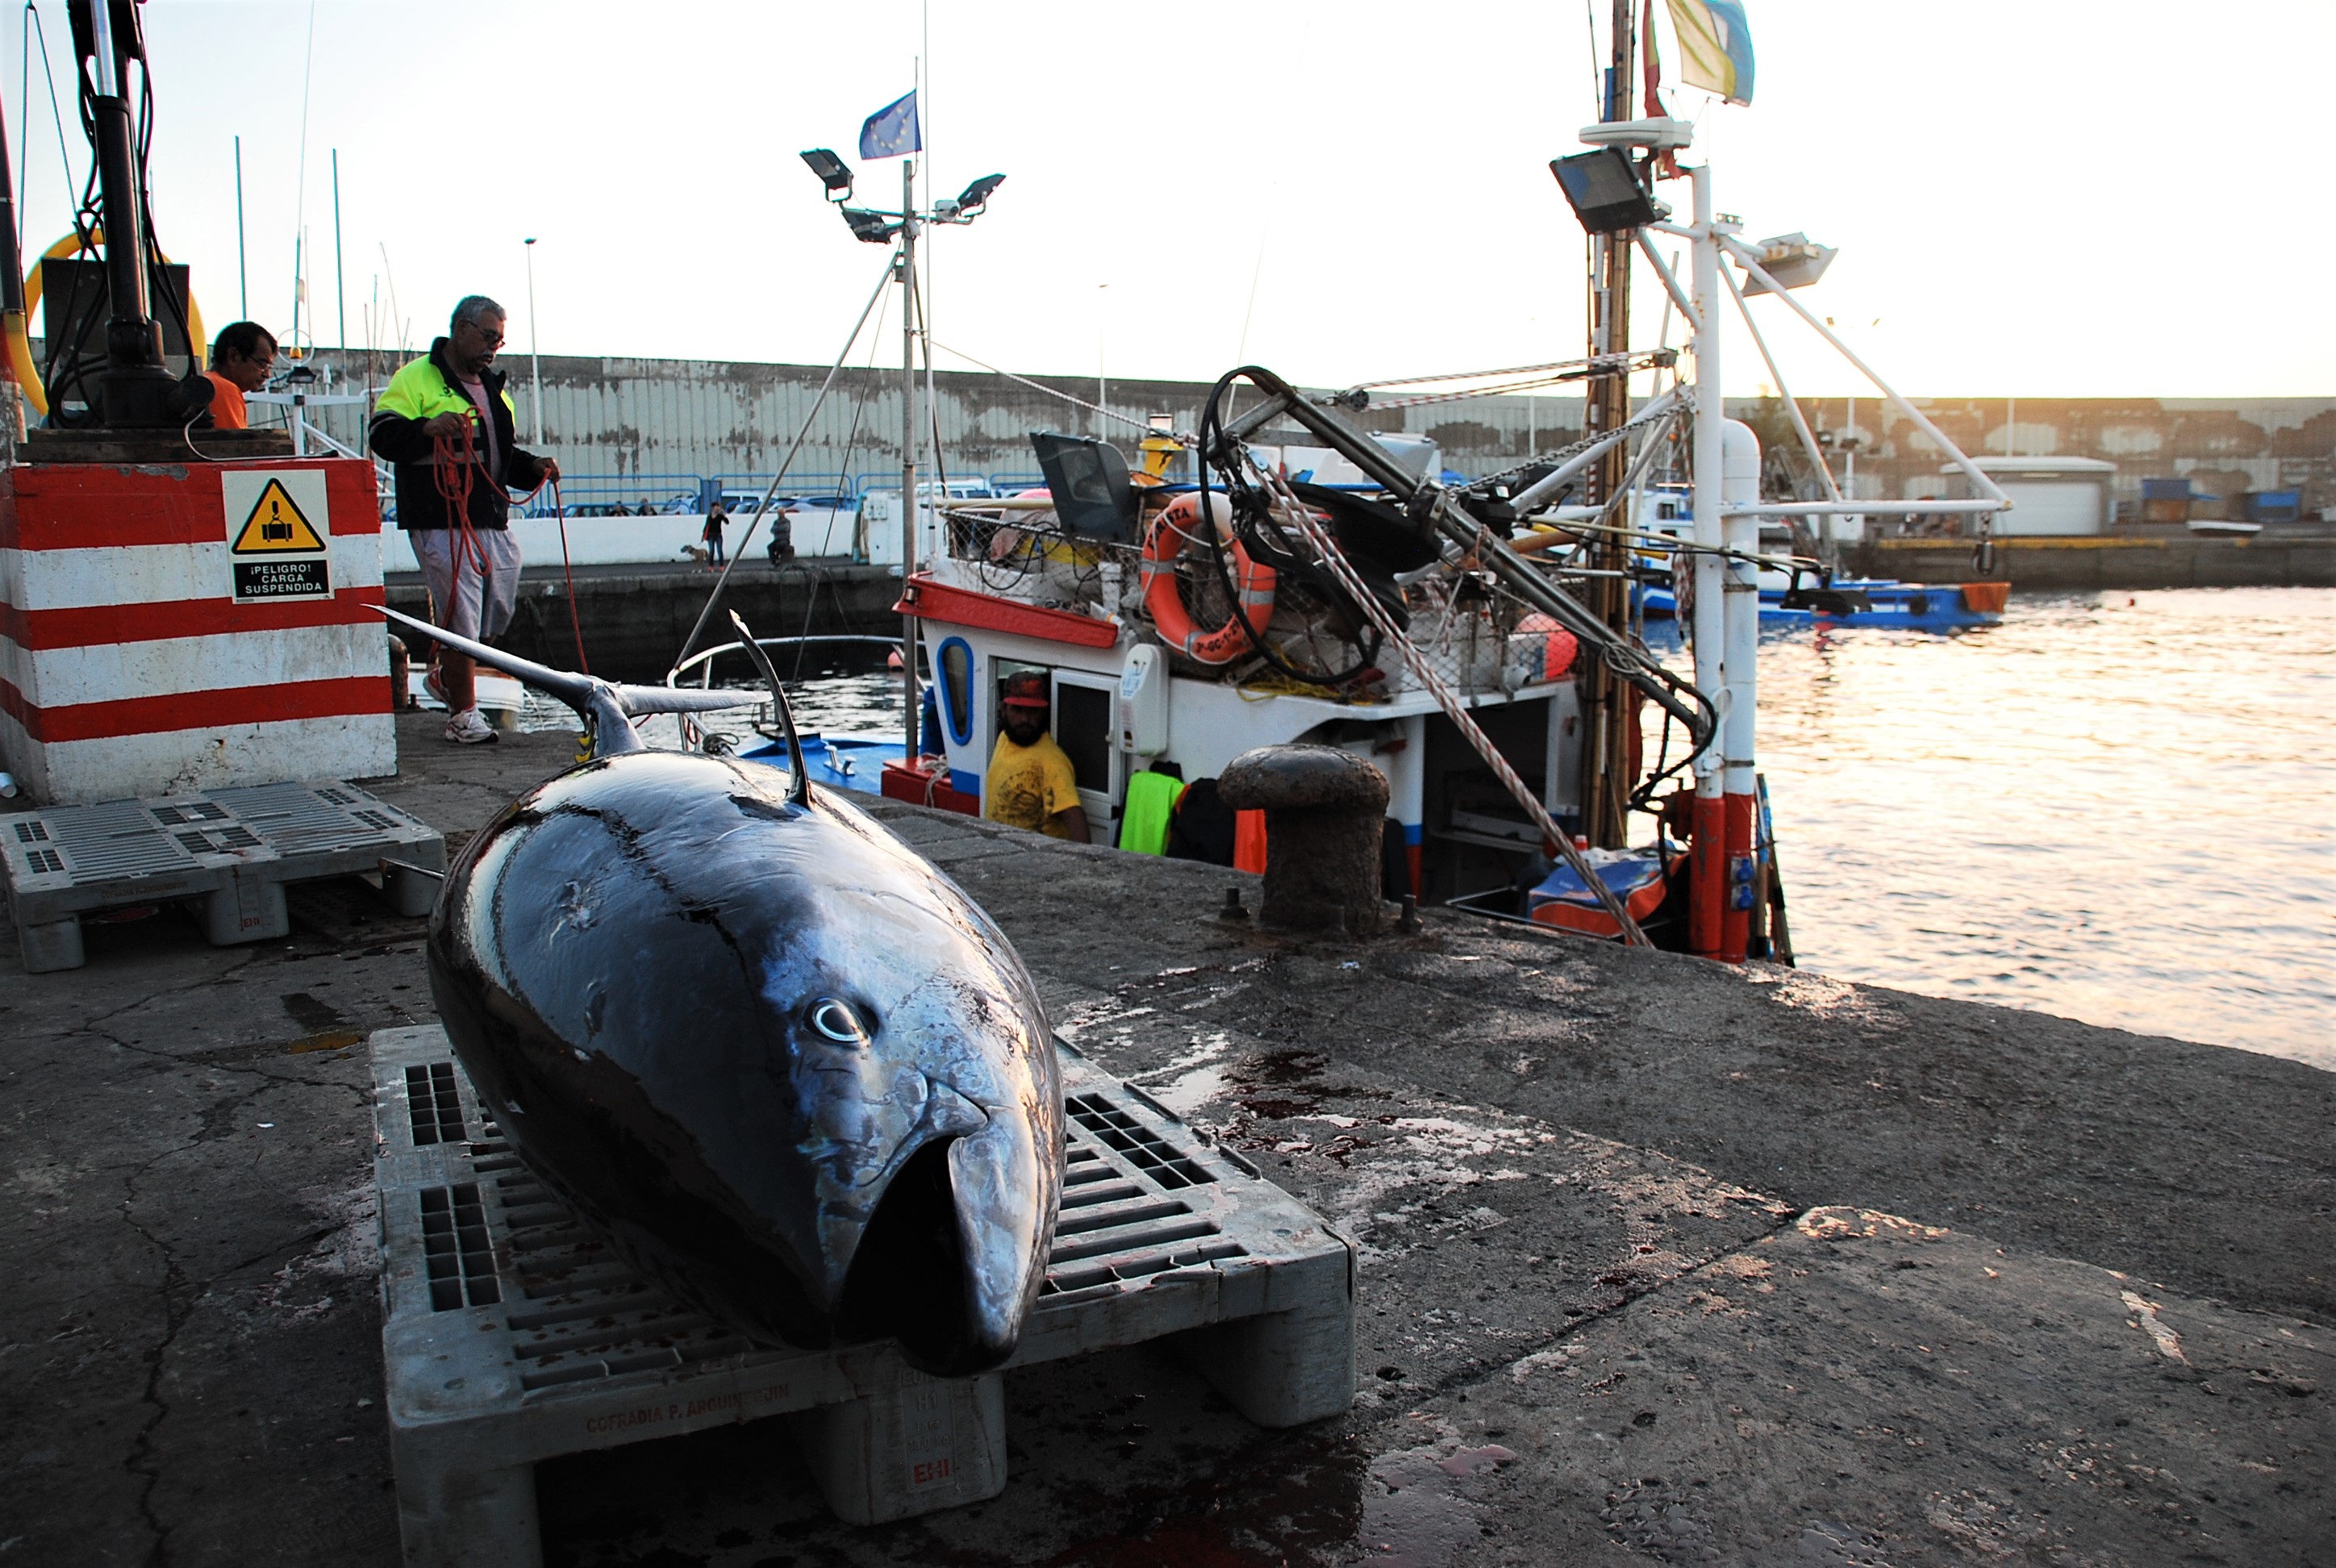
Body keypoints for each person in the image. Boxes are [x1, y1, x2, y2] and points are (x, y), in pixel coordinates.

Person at [367, 296, 559, 744]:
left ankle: (443, 673)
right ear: (461, 329)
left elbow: (500, 455)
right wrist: (425, 430)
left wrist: (532, 467)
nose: (495, 347)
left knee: (497, 603)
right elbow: (381, 435)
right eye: (489, 336)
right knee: (462, 615)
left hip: (489, 516)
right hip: (440, 515)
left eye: (500, 339)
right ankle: (463, 717)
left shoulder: (495, 390)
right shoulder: (415, 379)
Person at [983, 672, 1089, 842]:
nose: (1025, 719)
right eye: (1017, 710)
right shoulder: (1004, 738)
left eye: (1034, 711)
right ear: (1003, 709)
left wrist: (1084, 864)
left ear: (1043, 713)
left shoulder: (1051, 761)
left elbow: (1073, 816)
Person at [201, 321, 276, 429]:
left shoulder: (206, 382)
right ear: (233, 356)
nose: (267, 375)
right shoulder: (224, 390)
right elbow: (236, 445)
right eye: (262, 364)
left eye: (269, 367)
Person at [703, 501, 727, 566]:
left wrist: (724, 515)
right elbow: (706, 526)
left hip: (718, 535)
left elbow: (727, 522)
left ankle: (721, 566)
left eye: (718, 507)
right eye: (716, 507)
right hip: (710, 535)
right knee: (711, 551)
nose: (717, 508)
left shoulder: (720, 516)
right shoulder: (709, 517)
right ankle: (711, 566)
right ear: (713, 508)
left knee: (719, 551)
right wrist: (703, 536)